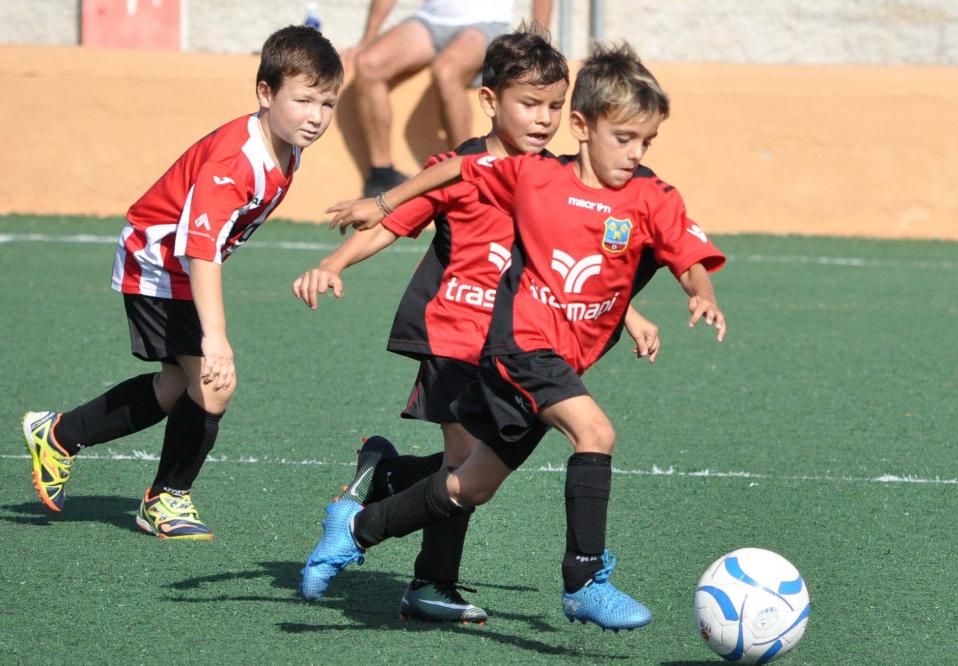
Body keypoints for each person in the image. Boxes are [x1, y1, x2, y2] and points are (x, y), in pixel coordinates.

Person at [301, 42, 728, 630]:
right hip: (502, 343)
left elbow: (659, 253)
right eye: (623, 139)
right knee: (594, 431)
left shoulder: (639, 193)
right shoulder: (532, 176)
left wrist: (693, 293)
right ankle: (578, 579)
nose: (635, 153)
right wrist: (379, 205)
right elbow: (451, 172)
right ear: (584, 127)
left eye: (645, 142)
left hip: (547, 356)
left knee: (469, 484)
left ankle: (357, 526)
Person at [20, 26, 344, 541]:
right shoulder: (235, 161)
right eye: (303, 100)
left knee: (176, 387)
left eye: (327, 104)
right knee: (215, 384)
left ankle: (59, 434)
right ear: (265, 92)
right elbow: (200, 250)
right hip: (156, 266)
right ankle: (166, 498)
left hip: (174, 265)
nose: (316, 117)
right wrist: (215, 338)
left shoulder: (286, 144)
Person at [347, 0, 553, 197]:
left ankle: (469, 172)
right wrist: (367, 39)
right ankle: (381, 174)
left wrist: (539, 47)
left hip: (485, 24)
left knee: (446, 72)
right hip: (430, 21)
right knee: (368, 65)